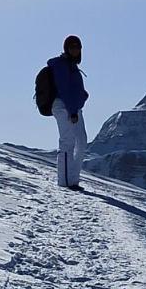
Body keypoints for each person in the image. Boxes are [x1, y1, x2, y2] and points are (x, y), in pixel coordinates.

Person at [49, 35, 89, 191]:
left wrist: (82, 96)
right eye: (71, 46)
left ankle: (73, 180)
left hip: (74, 107)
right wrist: (72, 110)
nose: (75, 49)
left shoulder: (72, 66)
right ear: (66, 48)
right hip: (63, 106)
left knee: (81, 141)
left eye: (77, 47)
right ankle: (65, 182)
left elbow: (73, 89)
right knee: (68, 141)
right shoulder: (61, 65)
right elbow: (64, 89)